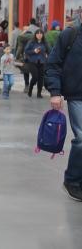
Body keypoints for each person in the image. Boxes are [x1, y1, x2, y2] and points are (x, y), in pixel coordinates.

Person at [45, 22, 82, 201]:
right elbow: (53, 64)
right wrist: (55, 92)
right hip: (77, 96)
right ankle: (72, 181)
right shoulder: (71, 35)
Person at [24, 29, 50, 98]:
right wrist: (33, 51)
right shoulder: (31, 42)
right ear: (35, 35)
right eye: (38, 33)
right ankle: (30, 88)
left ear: (42, 35)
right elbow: (26, 51)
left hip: (42, 62)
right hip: (32, 62)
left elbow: (49, 50)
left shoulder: (45, 43)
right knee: (35, 77)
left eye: (41, 33)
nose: (39, 35)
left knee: (41, 78)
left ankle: (39, 93)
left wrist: (47, 55)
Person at [15, 26, 34, 93]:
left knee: (26, 71)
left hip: (25, 56)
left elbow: (19, 48)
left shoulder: (21, 37)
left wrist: (16, 57)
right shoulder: (34, 36)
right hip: (33, 56)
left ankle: (27, 86)